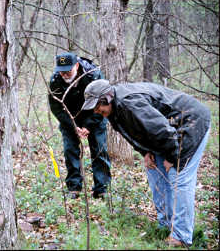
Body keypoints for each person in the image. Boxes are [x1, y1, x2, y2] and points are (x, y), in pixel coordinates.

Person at [81, 79, 211, 247]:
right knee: (155, 173)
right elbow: (134, 132)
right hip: (170, 130)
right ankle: (166, 225)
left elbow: (162, 131)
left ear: (107, 98)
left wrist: (172, 158)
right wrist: (146, 152)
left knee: (178, 178)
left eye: (98, 105)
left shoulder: (130, 104)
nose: (96, 111)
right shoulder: (114, 110)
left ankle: (181, 236)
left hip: (190, 123)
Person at [48, 52, 112, 199]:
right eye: (61, 71)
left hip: (95, 115)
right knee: (70, 151)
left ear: (76, 65)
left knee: (99, 150)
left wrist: (88, 126)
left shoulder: (93, 75)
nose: (64, 74)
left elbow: (104, 102)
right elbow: (56, 108)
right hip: (70, 119)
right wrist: (73, 126)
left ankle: (101, 189)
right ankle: (74, 188)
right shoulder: (55, 80)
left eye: (68, 71)